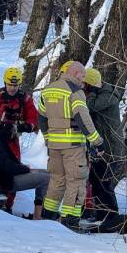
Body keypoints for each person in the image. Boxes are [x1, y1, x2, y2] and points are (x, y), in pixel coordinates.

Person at [38, 61, 104, 230]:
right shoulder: (75, 91)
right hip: (73, 146)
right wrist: (97, 141)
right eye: (82, 75)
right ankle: (70, 221)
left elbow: (42, 118)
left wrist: (47, 137)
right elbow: (83, 118)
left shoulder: (48, 90)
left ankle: (48, 217)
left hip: (54, 146)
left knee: (56, 180)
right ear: (75, 73)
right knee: (76, 181)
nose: (83, 80)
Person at [0, 67, 38, 210]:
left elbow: (33, 120)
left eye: (15, 85)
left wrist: (19, 127)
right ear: (5, 82)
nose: (12, 88)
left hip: (12, 140)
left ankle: (8, 205)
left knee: (13, 170)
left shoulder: (25, 99)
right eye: (10, 84)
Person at [0, 107, 50, 220]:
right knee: (46, 178)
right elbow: (5, 164)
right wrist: (25, 169)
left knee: (45, 172)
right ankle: (39, 216)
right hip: (1, 181)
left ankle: (40, 214)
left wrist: (22, 168)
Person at [83, 67, 125, 230]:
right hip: (102, 148)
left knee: (104, 182)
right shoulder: (103, 94)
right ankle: (101, 214)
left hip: (110, 149)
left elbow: (90, 106)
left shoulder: (108, 96)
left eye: (86, 85)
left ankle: (111, 216)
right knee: (96, 180)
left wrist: (91, 92)